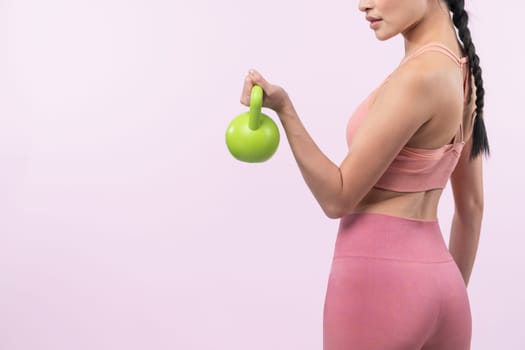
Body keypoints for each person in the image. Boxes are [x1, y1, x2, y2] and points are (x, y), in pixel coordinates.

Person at [240, 0, 488, 349]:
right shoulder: (463, 72)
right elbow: (472, 207)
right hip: (446, 290)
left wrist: (285, 110)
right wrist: (436, 290)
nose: (362, 4)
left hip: (378, 288)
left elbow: (337, 196)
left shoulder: (418, 77)